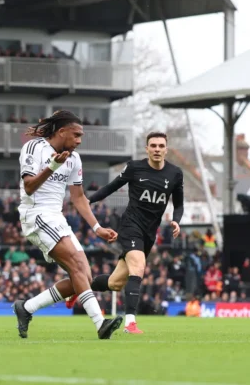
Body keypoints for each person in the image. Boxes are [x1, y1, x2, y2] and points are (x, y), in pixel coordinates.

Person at [11, 110, 123, 339]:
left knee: (83, 277)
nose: (79, 141)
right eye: (76, 135)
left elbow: (79, 197)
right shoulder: (34, 148)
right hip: (36, 214)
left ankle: (26, 308)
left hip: (55, 217)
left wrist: (97, 228)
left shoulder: (74, 158)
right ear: (61, 132)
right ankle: (100, 324)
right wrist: (51, 167)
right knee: (77, 265)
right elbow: (29, 186)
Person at [66, 131, 184, 334]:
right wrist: (88, 201)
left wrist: (176, 221)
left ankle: (79, 287)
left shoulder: (175, 173)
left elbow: (179, 204)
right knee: (138, 267)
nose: (157, 149)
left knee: (115, 282)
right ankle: (130, 323)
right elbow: (112, 187)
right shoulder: (135, 168)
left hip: (149, 233)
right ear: (146, 149)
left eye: (160, 146)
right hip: (130, 226)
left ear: (166, 149)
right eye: (153, 145)